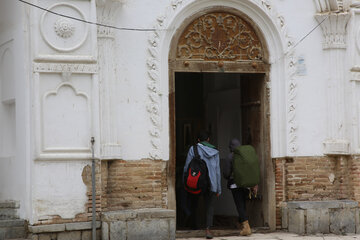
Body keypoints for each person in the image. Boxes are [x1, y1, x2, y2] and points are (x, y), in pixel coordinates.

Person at [183, 131, 221, 239]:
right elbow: (217, 171)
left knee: (194, 203)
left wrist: (185, 181)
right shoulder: (215, 151)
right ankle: (208, 230)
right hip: (211, 182)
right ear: (208, 139)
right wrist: (218, 189)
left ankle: (194, 225)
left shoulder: (193, 149)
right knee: (209, 206)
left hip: (197, 181)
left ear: (198, 140)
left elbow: (187, 166)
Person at [222, 138, 258, 236]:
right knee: (243, 204)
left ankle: (246, 228)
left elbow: (226, 173)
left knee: (240, 205)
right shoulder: (246, 155)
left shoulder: (230, 156)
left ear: (231, 147)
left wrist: (228, 177)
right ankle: (241, 223)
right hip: (246, 185)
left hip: (235, 185)